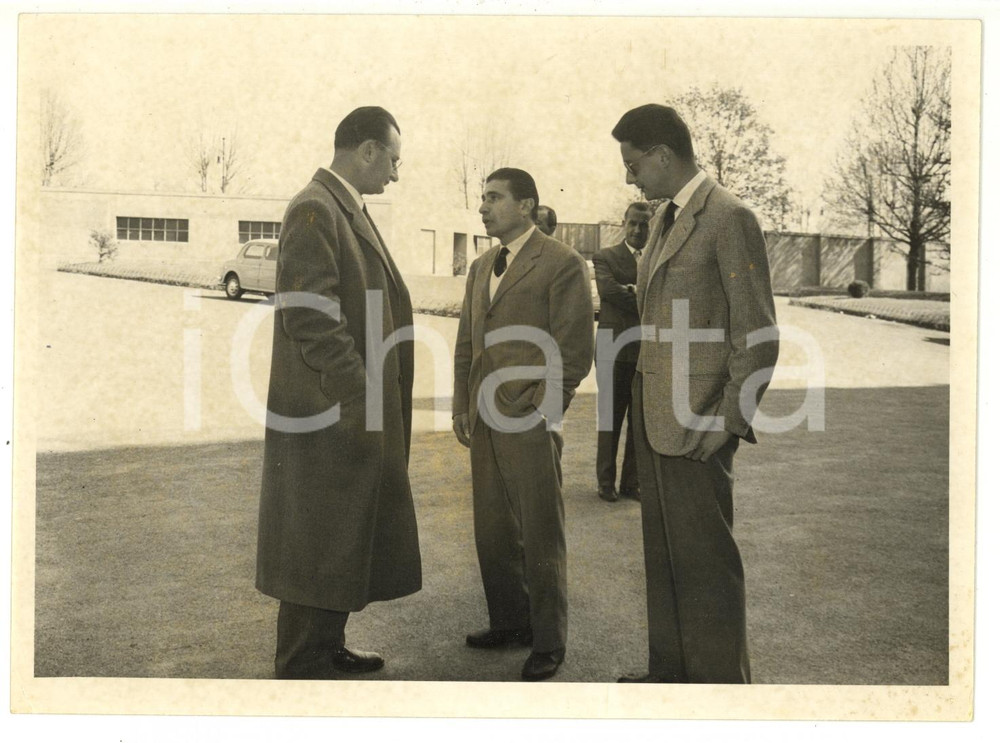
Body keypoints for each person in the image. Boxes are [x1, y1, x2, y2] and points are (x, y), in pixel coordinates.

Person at [610, 104, 778, 683]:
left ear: (662, 155)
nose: (629, 177)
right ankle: (670, 675)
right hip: (657, 418)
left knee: (706, 564)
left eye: (633, 164)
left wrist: (728, 421)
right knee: (664, 559)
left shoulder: (730, 217)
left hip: (701, 423)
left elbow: (758, 336)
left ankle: (720, 691)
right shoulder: (663, 217)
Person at [256, 106, 421, 680]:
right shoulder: (315, 206)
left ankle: (325, 646)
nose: (396, 173)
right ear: (367, 150)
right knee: (318, 538)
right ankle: (304, 661)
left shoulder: (341, 206)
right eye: (393, 160)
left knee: (337, 534)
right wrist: (358, 393)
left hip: (345, 409)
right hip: (332, 410)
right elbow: (309, 316)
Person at [452, 168, 594, 681]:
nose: (483, 207)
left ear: (527, 205)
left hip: (530, 418)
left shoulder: (562, 262)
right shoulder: (480, 266)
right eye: (482, 198)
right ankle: (510, 622)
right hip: (484, 416)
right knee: (493, 529)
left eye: (494, 198)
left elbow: (574, 349)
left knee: (540, 533)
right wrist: (461, 406)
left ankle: (549, 641)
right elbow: (467, 343)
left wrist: (544, 412)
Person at [592, 201, 653, 503]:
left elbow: (667, 296)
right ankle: (606, 482)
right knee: (610, 418)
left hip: (645, 350)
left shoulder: (656, 258)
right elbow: (608, 291)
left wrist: (631, 290)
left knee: (639, 421)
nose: (638, 230)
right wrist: (644, 296)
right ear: (623, 223)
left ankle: (631, 482)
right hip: (612, 349)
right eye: (633, 223)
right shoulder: (605, 256)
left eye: (644, 224)